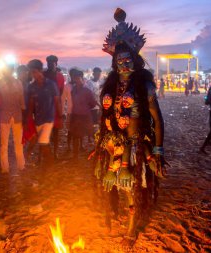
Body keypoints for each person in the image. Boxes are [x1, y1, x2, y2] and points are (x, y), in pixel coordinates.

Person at [91, 8, 167, 245]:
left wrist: (157, 150)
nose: (123, 64)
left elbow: (157, 118)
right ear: (114, 64)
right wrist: (98, 144)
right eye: (119, 61)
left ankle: (132, 229)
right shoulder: (109, 87)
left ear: (135, 61)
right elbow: (103, 117)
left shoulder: (145, 87)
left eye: (128, 60)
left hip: (134, 145)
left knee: (131, 186)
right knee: (105, 181)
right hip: (112, 143)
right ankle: (110, 214)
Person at [26, 59, 61, 168]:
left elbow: (57, 101)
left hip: (49, 118)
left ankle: (50, 167)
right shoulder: (31, 87)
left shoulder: (51, 84)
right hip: (38, 119)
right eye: (32, 72)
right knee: (39, 142)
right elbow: (31, 105)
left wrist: (60, 118)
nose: (34, 74)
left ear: (41, 70)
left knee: (43, 142)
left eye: (35, 71)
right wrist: (28, 119)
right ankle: (47, 164)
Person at [0, 64, 25, 173]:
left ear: (12, 71)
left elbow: (22, 101)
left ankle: (21, 165)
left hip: (16, 116)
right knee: (4, 144)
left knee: (18, 142)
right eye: (6, 70)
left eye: (9, 70)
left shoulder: (18, 83)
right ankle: (5, 168)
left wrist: (24, 114)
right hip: (4, 116)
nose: (7, 72)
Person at [70, 70, 97, 160]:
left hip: (85, 116)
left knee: (92, 134)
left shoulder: (87, 91)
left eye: (78, 78)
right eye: (75, 78)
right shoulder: (73, 90)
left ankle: (99, 151)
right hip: (76, 116)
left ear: (82, 79)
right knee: (75, 136)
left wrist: (85, 107)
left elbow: (93, 104)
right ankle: (75, 156)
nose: (76, 80)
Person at [44, 55, 65, 160]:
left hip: (56, 106)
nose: (51, 64)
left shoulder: (60, 76)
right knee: (46, 131)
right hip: (45, 107)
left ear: (56, 63)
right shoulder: (43, 75)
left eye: (53, 63)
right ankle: (46, 153)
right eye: (49, 63)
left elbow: (60, 92)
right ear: (47, 63)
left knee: (56, 131)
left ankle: (55, 152)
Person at [18, 65, 37, 161]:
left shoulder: (28, 84)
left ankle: (25, 155)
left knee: (33, 137)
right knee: (24, 137)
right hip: (21, 114)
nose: (26, 74)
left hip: (28, 114)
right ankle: (23, 157)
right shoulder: (17, 84)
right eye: (24, 73)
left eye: (26, 73)